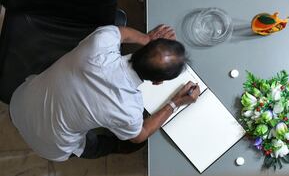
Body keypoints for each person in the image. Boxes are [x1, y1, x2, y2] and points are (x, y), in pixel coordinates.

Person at [9, 24, 200, 161]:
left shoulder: (100, 42)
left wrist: (147, 38)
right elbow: (139, 135)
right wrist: (176, 102)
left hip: (20, 102)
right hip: (50, 145)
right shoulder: (127, 109)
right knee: (120, 144)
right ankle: (111, 147)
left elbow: (122, 33)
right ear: (157, 82)